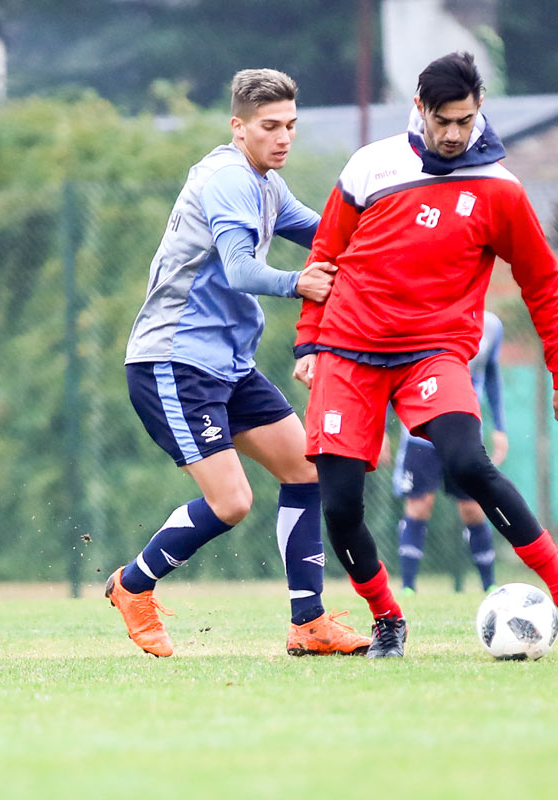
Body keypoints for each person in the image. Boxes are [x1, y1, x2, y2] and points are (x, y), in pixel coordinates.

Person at [292, 51, 558, 658]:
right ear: (419, 109)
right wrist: (309, 339)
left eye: (465, 121)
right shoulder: (372, 166)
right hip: (348, 349)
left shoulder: (499, 189)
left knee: (469, 464)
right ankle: (388, 619)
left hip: (433, 353)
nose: (453, 134)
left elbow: (543, 282)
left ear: (479, 114)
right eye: (443, 120)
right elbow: (325, 251)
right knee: (339, 505)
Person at [105, 68, 371, 658]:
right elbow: (239, 269)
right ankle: (133, 584)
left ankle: (309, 623)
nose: (283, 138)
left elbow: (327, 234)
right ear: (239, 127)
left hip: (226, 364)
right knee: (233, 503)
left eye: (291, 126)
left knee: (305, 469)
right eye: (270, 127)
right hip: (173, 361)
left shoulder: (265, 184)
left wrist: (394, 233)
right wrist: (302, 284)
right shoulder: (228, 180)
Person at [393, 310, 508, 595]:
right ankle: (408, 587)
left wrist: (500, 427)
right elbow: (394, 367)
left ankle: (489, 585)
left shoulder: (491, 325)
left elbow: (491, 375)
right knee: (419, 504)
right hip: (420, 431)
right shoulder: (422, 315)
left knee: (472, 506)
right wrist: (381, 426)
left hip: (465, 431)